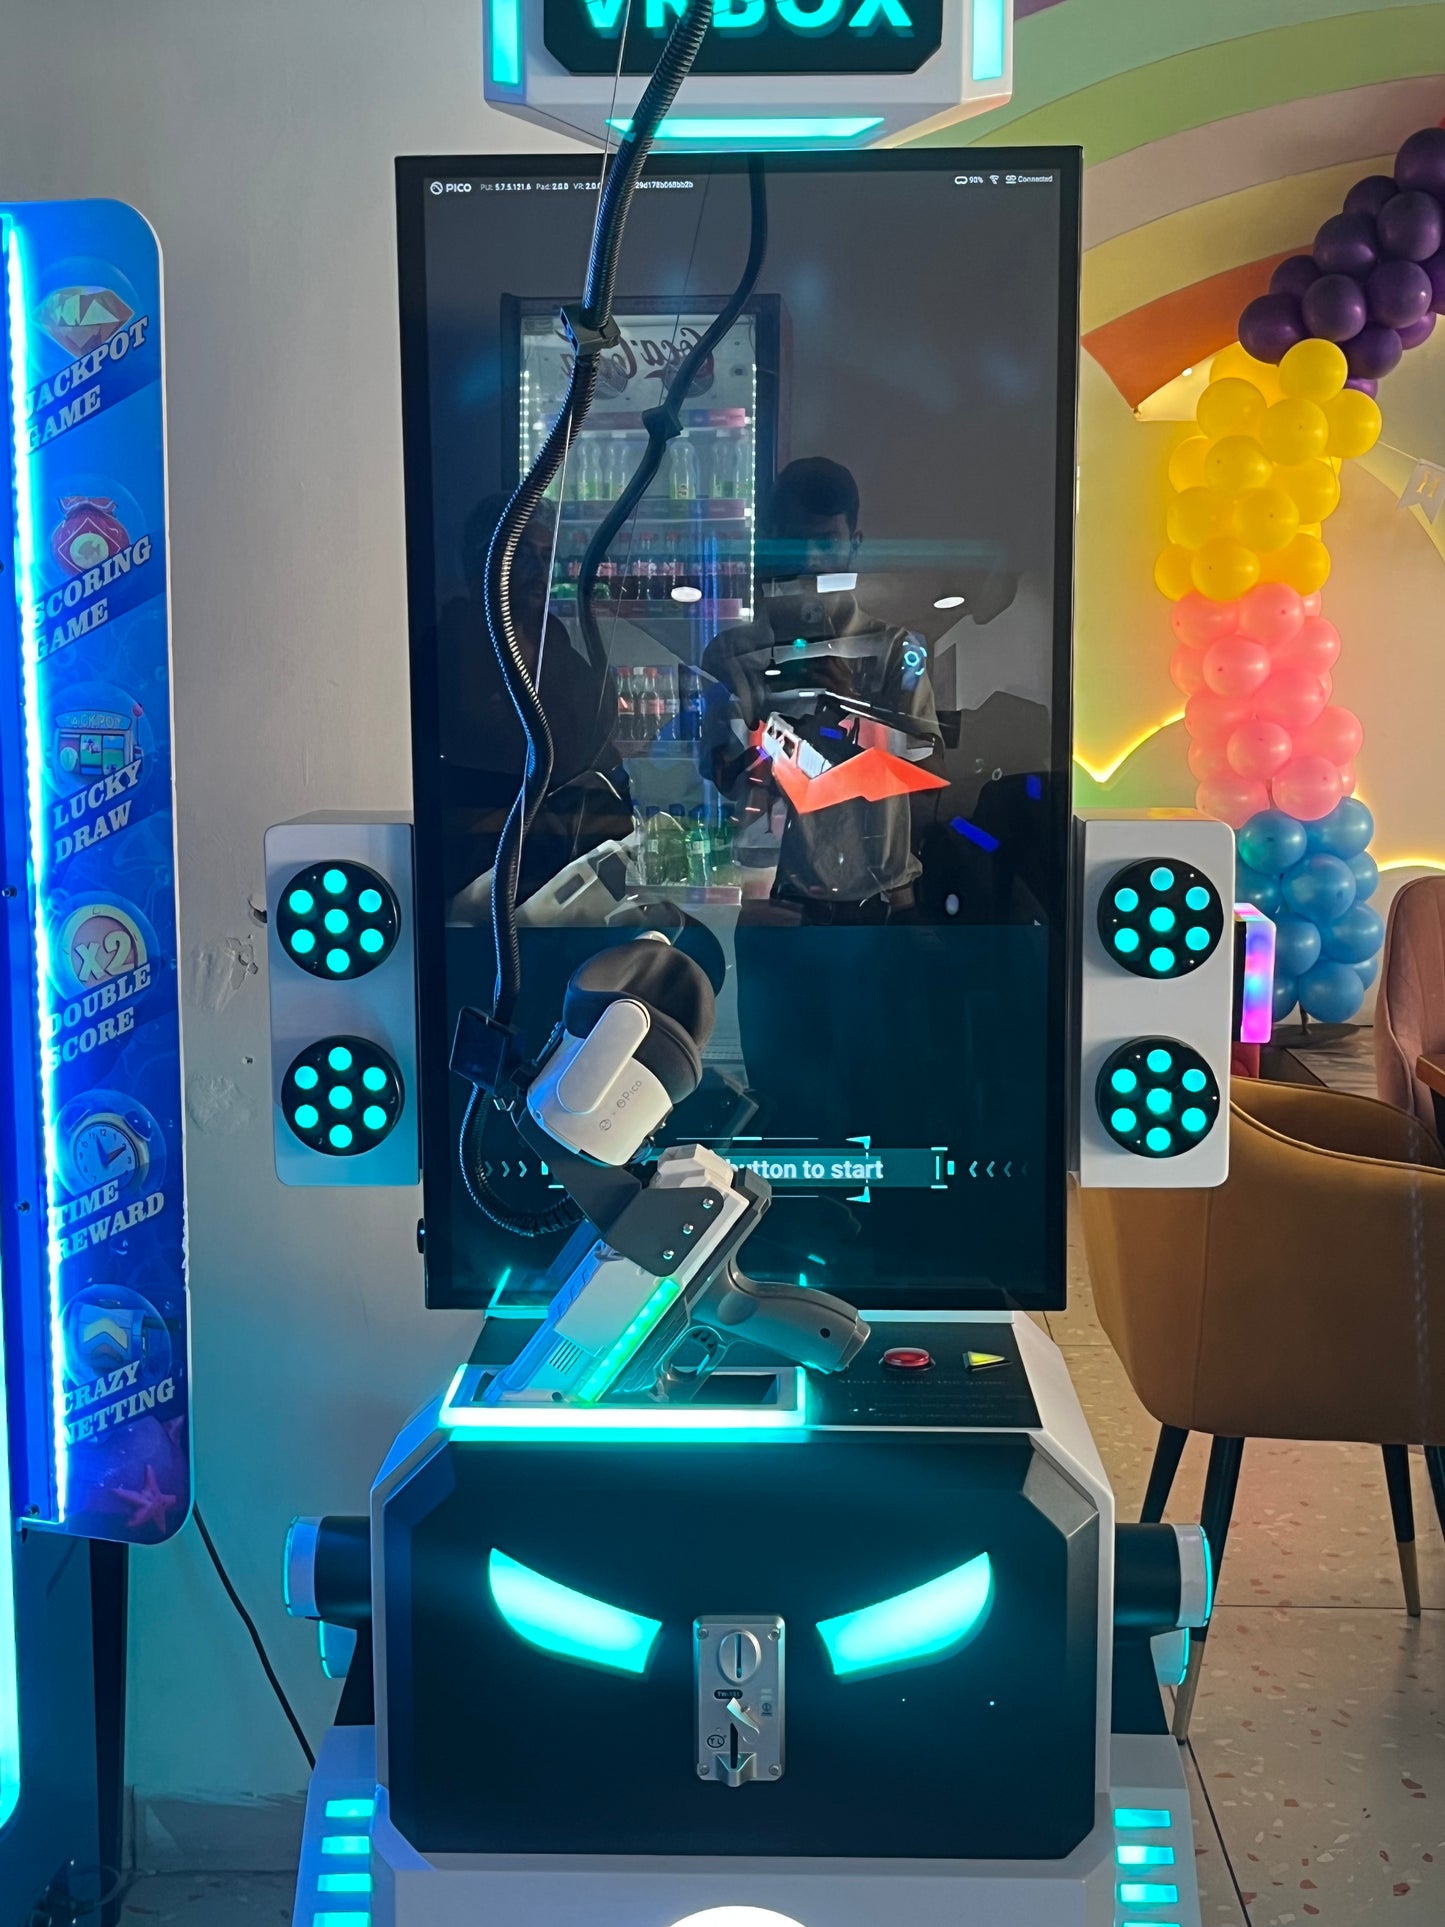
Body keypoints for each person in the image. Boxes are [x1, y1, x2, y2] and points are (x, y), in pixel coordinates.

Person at [700, 457, 940, 921]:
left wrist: (850, 707)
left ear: (853, 546)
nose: (810, 557)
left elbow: (927, 781)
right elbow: (726, 781)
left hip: (878, 906)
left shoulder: (894, 652)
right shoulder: (730, 657)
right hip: (771, 902)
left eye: (825, 541)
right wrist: (778, 720)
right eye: (793, 539)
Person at [437, 494, 625, 913]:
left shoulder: (551, 638)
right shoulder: (453, 641)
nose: (540, 569)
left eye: (546, 555)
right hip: (486, 856)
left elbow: (596, 726)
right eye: (524, 556)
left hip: (558, 846)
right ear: (485, 562)